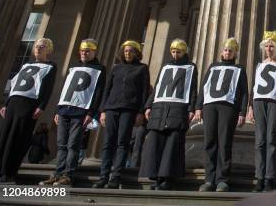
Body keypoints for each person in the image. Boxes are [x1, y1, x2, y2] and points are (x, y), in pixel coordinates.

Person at [40, 39, 106, 187]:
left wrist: (91, 113)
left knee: (73, 144)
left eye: (87, 50)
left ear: (94, 52)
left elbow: (98, 92)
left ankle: (68, 174)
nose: (84, 53)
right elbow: (66, 88)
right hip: (65, 108)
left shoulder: (99, 68)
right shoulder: (74, 66)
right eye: (82, 50)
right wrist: (57, 110)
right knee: (61, 144)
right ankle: (58, 173)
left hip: (81, 111)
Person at [0, 38, 57, 184]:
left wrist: (41, 106)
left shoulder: (50, 66)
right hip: (13, 103)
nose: (38, 49)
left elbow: (48, 87)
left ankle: (8, 173)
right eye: (36, 46)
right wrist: (6, 103)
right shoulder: (27, 64)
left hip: (29, 104)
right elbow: (15, 85)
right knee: (4, 136)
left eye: (42, 46)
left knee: (18, 137)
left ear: (49, 49)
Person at [140, 39, 197, 190]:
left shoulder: (191, 67)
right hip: (160, 108)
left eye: (178, 52)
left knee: (172, 144)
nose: (175, 54)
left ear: (184, 52)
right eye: (173, 51)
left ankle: (167, 178)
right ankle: (156, 177)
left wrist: (191, 108)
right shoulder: (166, 66)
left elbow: (192, 89)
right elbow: (158, 85)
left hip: (178, 108)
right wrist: (148, 105)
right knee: (155, 142)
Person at [93, 40, 150, 189]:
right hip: (111, 108)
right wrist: (103, 110)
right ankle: (103, 176)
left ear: (137, 53)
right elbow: (107, 89)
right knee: (107, 143)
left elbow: (144, 92)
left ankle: (116, 176)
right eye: (125, 51)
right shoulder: (116, 68)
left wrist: (140, 112)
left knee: (122, 143)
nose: (127, 53)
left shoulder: (142, 68)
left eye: (131, 51)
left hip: (129, 108)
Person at [195, 38, 248, 193]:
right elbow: (204, 87)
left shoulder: (239, 69)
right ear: (221, 52)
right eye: (225, 50)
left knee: (224, 142)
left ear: (235, 53)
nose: (227, 52)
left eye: (230, 51)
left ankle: (222, 179)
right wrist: (198, 107)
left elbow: (244, 92)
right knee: (210, 141)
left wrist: (242, 112)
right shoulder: (213, 67)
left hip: (228, 107)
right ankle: (209, 179)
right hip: (210, 106)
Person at [247, 31, 276, 193]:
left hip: (275, 103)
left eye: (272, 46)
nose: (269, 49)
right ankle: (259, 177)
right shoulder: (260, 65)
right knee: (260, 141)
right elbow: (254, 86)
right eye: (266, 46)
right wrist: (250, 106)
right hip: (259, 102)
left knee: (271, 139)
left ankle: (269, 178)